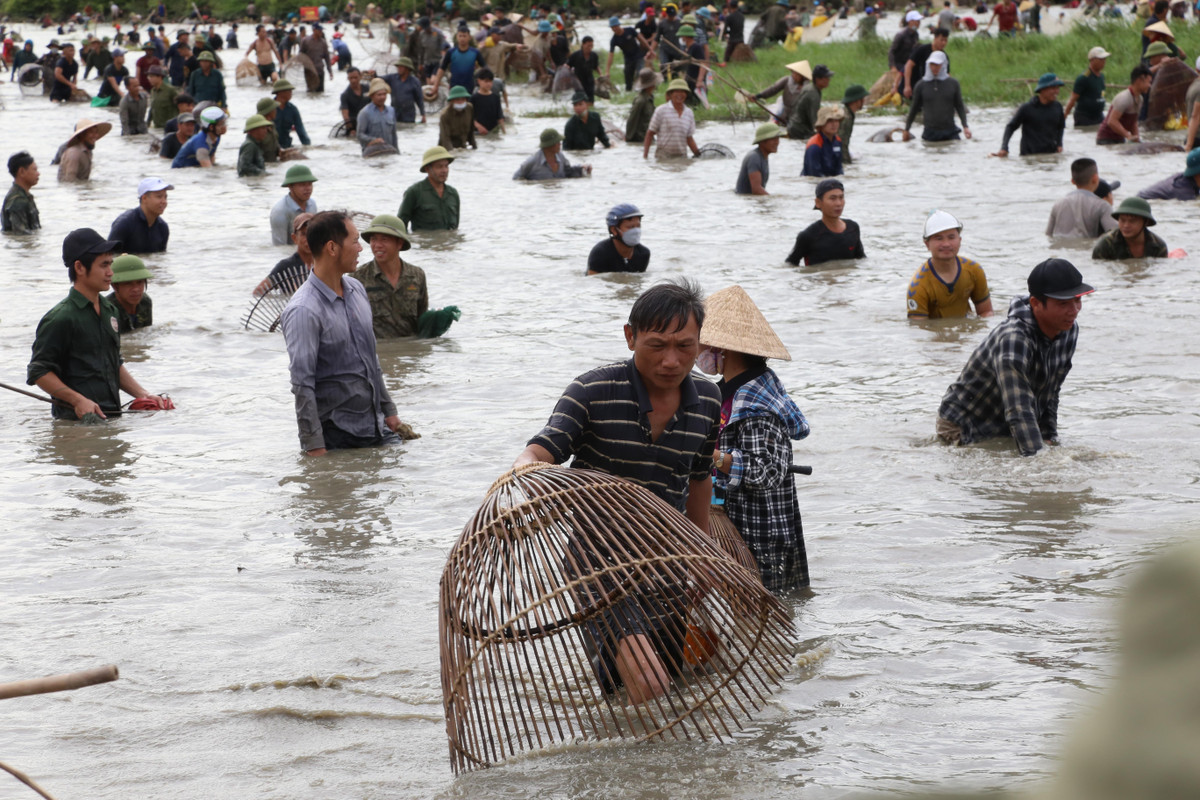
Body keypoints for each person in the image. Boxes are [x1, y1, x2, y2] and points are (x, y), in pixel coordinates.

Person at [513, 278, 721, 705]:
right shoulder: (592, 391)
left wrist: (702, 555)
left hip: (666, 560)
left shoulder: (709, 398)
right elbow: (540, 450)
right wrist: (521, 479)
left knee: (664, 682)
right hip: (598, 563)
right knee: (649, 683)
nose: (671, 360)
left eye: (685, 346)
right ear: (630, 337)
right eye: (657, 345)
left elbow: (700, 478)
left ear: (701, 343)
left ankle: (637, 763)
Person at [698, 284, 811, 594]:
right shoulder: (727, 391)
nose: (697, 350)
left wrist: (714, 456)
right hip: (731, 524)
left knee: (764, 612)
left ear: (724, 349)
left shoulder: (758, 406)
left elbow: (768, 471)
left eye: (702, 342)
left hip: (761, 535)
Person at [281, 211, 414, 455]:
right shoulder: (303, 310)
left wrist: (390, 412)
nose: (362, 249)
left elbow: (371, 360)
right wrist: (315, 450)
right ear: (332, 248)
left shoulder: (356, 289)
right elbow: (302, 385)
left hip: (376, 428)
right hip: (338, 440)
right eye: (354, 241)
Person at [936, 258, 1093, 456]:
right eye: (1063, 303)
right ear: (1036, 303)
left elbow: (1050, 392)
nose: (1074, 311)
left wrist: (1050, 438)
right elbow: (1018, 411)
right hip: (964, 423)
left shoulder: (1068, 330)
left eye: (1077, 300)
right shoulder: (1014, 339)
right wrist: (1040, 463)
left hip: (1005, 418)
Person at [27, 228, 174, 421]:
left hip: (111, 420)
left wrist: (143, 394)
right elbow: (39, 371)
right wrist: (78, 400)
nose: (110, 272)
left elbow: (114, 363)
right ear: (80, 268)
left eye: (110, 264)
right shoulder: (61, 318)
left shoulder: (109, 311)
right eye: (104, 265)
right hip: (75, 426)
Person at [352, 214, 429, 338]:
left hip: (411, 352)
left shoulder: (417, 276)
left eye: (384, 239)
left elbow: (422, 320)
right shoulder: (357, 278)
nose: (377, 245)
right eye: (374, 239)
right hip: (376, 352)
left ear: (399, 243)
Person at [906, 210, 993, 319]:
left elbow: (986, 313)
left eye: (951, 237)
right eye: (939, 238)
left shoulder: (974, 270)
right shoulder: (918, 286)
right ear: (927, 244)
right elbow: (920, 330)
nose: (946, 244)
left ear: (960, 240)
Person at [785, 179, 865, 266]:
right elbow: (790, 265)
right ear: (818, 202)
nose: (838, 203)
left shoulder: (853, 228)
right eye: (832, 198)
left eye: (841, 198)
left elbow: (861, 260)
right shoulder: (808, 235)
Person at [902, 51, 970, 142]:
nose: (934, 68)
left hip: (951, 131)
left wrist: (965, 127)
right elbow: (914, 109)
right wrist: (907, 129)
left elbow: (959, 106)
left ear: (944, 65)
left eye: (938, 65)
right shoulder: (921, 85)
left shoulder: (953, 84)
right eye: (932, 64)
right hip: (930, 133)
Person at [994, 73, 1066, 157]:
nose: (1057, 92)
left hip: (1051, 154)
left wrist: (1059, 144)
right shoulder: (1027, 108)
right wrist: (1004, 147)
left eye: (1057, 88)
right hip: (1029, 156)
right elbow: (1011, 127)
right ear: (1042, 89)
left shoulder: (1057, 107)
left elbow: (1061, 127)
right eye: (1053, 88)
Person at [1045, 158, 1120, 238]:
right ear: (1095, 178)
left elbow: (1048, 235)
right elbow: (1115, 235)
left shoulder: (1058, 204)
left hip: (1060, 248)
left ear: (1072, 181)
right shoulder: (1102, 206)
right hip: (1087, 249)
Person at [399, 146, 460, 231]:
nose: (444, 170)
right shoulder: (414, 192)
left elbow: (455, 228)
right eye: (439, 167)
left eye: (446, 166)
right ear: (427, 169)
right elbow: (400, 225)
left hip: (449, 243)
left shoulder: (453, 194)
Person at [1092, 197, 1169, 259]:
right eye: (1122, 220)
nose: (1126, 225)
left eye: (1132, 221)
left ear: (1145, 222)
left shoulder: (1158, 246)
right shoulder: (1105, 245)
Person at [108, 177, 171, 253]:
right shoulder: (124, 223)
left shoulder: (163, 228)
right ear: (144, 198)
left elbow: (160, 257)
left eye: (165, 197)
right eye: (159, 197)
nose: (164, 201)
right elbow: (109, 257)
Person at [644, 78, 700, 159]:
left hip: (682, 157)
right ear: (670, 94)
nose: (680, 94)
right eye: (676, 91)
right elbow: (650, 133)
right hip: (663, 157)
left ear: (686, 94)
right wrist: (645, 156)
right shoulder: (661, 110)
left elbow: (689, 138)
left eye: (682, 91)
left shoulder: (689, 113)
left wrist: (698, 154)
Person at [1096, 65, 1152, 145]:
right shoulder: (1124, 98)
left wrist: (1137, 139)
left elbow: (1133, 122)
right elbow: (1111, 122)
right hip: (1105, 139)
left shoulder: (1140, 99)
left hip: (1120, 139)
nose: (1150, 86)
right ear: (1140, 80)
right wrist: (1128, 135)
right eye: (1149, 82)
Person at [587, 203, 649, 275]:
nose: (636, 231)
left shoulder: (643, 254)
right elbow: (593, 281)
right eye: (630, 227)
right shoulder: (600, 253)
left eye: (638, 226)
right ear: (614, 230)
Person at [748, 60, 810, 127]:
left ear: (803, 77)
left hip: (798, 119)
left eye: (798, 74)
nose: (795, 76)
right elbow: (773, 89)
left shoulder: (808, 88)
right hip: (784, 115)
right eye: (794, 73)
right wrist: (758, 96)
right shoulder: (786, 80)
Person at [514, 128, 592, 180]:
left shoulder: (561, 157)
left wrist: (581, 168)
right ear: (550, 145)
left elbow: (568, 172)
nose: (560, 144)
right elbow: (516, 179)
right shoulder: (532, 162)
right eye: (557, 142)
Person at [271, 165, 319, 245]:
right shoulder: (280, 212)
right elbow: (279, 247)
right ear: (290, 186)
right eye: (302, 185)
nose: (308, 188)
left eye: (310, 184)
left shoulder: (312, 204)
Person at [1064, 46, 1110, 127]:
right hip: (1085, 117)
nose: (1104, 62)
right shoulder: (1084, 78)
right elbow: (1073, 99)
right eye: (1101, 59)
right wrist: (1064, 117)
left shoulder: (1101, 77)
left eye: (1104, 59)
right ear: (1092, 60)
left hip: (1099, 116)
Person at [106, 254, 153, 333]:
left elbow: (146, 334)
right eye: (128, 283)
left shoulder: (145, 302)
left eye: (140, 282)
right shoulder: (107, 310)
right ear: (114, 286)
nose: (136, 289)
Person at [432, 26, 486, 94]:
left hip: (470, 85)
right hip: (454, 85)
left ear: (469, 37)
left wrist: (482, 83)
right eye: (460, 36)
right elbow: (442, 69)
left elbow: (484, 67)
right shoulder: (451, 52)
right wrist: (435, 86)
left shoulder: (475, 52)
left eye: (464, 36)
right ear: (457, 37)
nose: (462, 38)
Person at [902, 26, 950, 100]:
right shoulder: (922, 49)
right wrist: (907, 86)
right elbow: (908, 65)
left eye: (945, 40)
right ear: (935, 38)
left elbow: (947, 75)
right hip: (915, 85)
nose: (943, 43)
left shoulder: (944, 56)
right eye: (941, 40)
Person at [606, 15, 651, 91]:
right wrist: (607, 71)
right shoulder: (614, 40)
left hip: (639, 56)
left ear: (619, 25)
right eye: (612, 27)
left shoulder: (630, 30)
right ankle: (629, 92)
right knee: (628, 78)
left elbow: (642, 40)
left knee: (640, 73)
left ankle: (640, 90)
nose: (614, 29)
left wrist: (650, 50)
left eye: (615, 26)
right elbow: (611, 56)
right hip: (628, 59)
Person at [788, 63, 831, 141]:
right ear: (818, 79)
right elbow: (815, 120)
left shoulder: (810, 88)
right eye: (826, 78)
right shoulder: (813, 95)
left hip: (794, 126)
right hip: (800, 131)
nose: (829, 80)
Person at [735, 122, 781, 196]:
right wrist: (773, 199)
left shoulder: (763, 156)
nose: (777, 142)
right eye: (773, 139)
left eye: (777, 139)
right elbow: (756, 190)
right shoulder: (754, 157)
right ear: (762, 141)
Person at [356, 77, 399, 153]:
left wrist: (397, 152)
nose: (382, 97)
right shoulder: (365, 113)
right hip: (372, 153)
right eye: (379, 95)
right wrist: (374, 140)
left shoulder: (391, 111)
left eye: (384, 94)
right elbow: (359, 135)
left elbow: (394, 135)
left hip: (389, 151)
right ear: (372, 96)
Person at [3, 151, 40, 235]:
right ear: (22, 172)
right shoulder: (17, 199)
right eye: (34, 169)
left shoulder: (25, 196)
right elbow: (20, 234)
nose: (38, 173)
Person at [801, 105, 844, 178]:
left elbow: (839, 168)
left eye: (836, 120)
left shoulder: (837, 141)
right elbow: (814, 174)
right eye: (830, 121)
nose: (834, 124)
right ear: (822, 124)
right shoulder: (814, 145)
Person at [888, 11, 921, 97]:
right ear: (910, 22)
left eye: (919, 21)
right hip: (900, 64)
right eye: (917, 21)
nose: (919, 23)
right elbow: (892, 51)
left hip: (909, 63)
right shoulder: (901, 35)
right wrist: (893, 66)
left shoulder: (916, 34)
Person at [383, 56, 425, 124]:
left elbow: (419, 99)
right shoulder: (392, 78)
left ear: (407, 69)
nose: (398, 69)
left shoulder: (415, 82)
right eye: (398, 67)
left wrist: (423, 114)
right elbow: (379, 79)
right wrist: (373, 75)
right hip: (395, 112)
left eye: (401, 67)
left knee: (408, 130)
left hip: (409, 114)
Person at [625, 68, 660, 145]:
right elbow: (632, 119)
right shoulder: (640, 101)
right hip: (640, 138)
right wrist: (628, 137)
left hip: (647, 136)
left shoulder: (649, 98)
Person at [272, 79, 311, 147]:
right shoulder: (268, 108)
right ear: (280, 92)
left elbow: (300, 130)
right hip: (270, 146)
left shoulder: (293, 110)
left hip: (286, 145)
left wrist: (307, 146)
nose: (291, 93)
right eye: (289, 91)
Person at [838, 84, 868, 164]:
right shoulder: (846, 118)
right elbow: (841, 143)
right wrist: (846, 161)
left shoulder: (847, 114)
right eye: (862, 99)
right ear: (856, 101)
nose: (864, 101)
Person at [299, 23, 333, 92]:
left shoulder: (323, 42)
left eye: (321, 30)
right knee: (310, 91)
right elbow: (301, 55)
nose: (321, 32)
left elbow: (327, 57)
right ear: (314, 30)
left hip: (320, 70)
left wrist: (330, 71)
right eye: (319, 30)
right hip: (309, 71)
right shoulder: (305, 41)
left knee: (320, 92)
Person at [470, 68, 504, 134]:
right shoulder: (474, 98)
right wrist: (478, 126)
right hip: (477, 132)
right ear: (479, 81)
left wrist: (504, 132)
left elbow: (500, 117)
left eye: (490, 81)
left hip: (493, 132)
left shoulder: (496, 97)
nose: (489, 84)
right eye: (486, 81)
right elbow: (469, 117)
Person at [567, 36, 600, 103]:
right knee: (580, 99)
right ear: (583, 44)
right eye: (588, 46)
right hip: (578, 81)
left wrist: (601, 75)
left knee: (590, 99)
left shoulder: (594, 55)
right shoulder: (575, 55)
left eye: (591, 46)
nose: (590, 47)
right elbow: (568, 66)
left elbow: (596, 67)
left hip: (590, 80)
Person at [338, 66, 369, 135]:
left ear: (360, 76)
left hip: (368, 121)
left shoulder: (368, 89)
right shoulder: (345, 95)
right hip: (354, 124)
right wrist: (350, 129)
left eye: (355, 77)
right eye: (351, 78)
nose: (353, 80)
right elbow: (345, 114)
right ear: (348, 79)